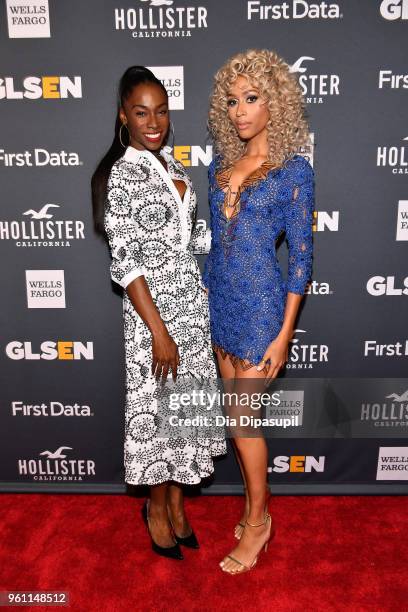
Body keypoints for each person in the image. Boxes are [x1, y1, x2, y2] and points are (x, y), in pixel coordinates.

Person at [91, 66, 226, 561]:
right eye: (141, 112)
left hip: (191, 307)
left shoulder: (172, 164)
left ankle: (176, 504)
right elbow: (126, 262)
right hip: (154, 317)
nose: (154, 122)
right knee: (158, 417)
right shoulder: (122, 173)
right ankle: (154, 508)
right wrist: (159, 331)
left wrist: (234, 224)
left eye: (161, 111)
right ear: (123, 115)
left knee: (183, 414)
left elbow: (189, 242)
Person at [204, 49, 315, 574]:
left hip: (261, 311)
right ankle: (255, 510)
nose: (240, 111)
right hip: (221, 303)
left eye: (251, 99)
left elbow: (300, 261)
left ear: (277, 104)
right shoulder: (218, 168)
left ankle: (259, 519)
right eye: (232, 101)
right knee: (234, 418)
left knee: (244, 420)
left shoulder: (293, 172)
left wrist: (284, 336)